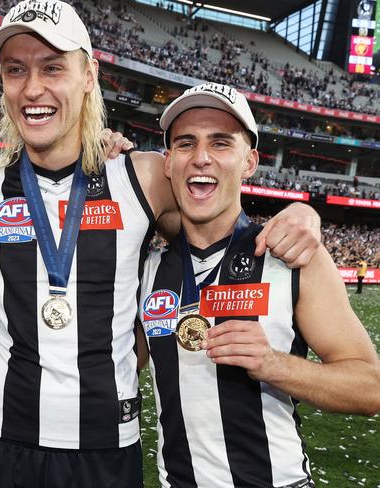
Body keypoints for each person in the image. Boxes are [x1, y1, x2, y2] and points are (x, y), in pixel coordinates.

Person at [0, 3, 321, 486]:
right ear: (2, 84)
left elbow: (220, 215)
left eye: (52, 67)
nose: (32, 88)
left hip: (105, 446)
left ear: (88, 75)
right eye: (16, 70)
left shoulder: (142, 175)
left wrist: (302, 212)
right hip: (4, 440)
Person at [137, 82, 380, 488]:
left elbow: (370, 387)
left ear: (249, 162)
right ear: (168, 163)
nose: (201, 158)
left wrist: (274, 365)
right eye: (185, 143)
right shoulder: (145, 269)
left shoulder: (293, 257)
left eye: (220, 143)